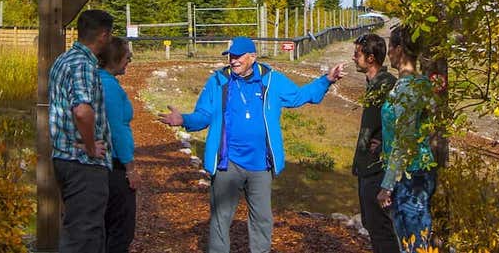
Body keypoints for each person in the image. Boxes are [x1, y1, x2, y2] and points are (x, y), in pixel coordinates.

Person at [158, 36, 346, 253]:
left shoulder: (271, 80)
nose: (233, 60)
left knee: (262, 219)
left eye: (238, 56)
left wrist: (326, 80)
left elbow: (299, 96)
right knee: (220, 219)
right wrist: (185, 120)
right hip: (226, 163)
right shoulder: (218, 81)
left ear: (253, 57)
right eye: (231, 56)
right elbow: (204, 115)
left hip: (260, 165)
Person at [49, 9, 114, 253]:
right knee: (83, 236)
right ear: (103, 35)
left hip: (64, 158)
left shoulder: (63, 59)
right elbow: (82, 111)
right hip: (83, 163)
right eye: (110, 36)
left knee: (85, 231)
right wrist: (90, 146)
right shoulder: (83, 65)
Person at [376, 25, 436, 252]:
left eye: (390, 47)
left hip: (411, 177)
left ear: (399, 49)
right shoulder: (419, 84)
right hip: (415, 170)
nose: (388, 53)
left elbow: (404, 141)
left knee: (412, 245)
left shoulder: (407, 90)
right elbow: (424, 128)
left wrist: (387, 186)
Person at [351, 33, 399, 253]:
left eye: (357, 54)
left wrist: (380, 145)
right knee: (371, 224)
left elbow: (398, 124)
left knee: (381, 227)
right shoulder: (373, 83)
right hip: (367, 166)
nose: (353, 58)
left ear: (370, 58)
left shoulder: (388, 85)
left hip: (378, 168)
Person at [99, 36, 140, 253]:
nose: (129, 61)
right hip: (114, 165)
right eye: (127, 57)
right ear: (115, 59)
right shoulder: (110, 88)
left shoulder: (98, 81)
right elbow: (117, 130)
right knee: (120, 229)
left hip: (99, 165)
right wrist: (130, 167)